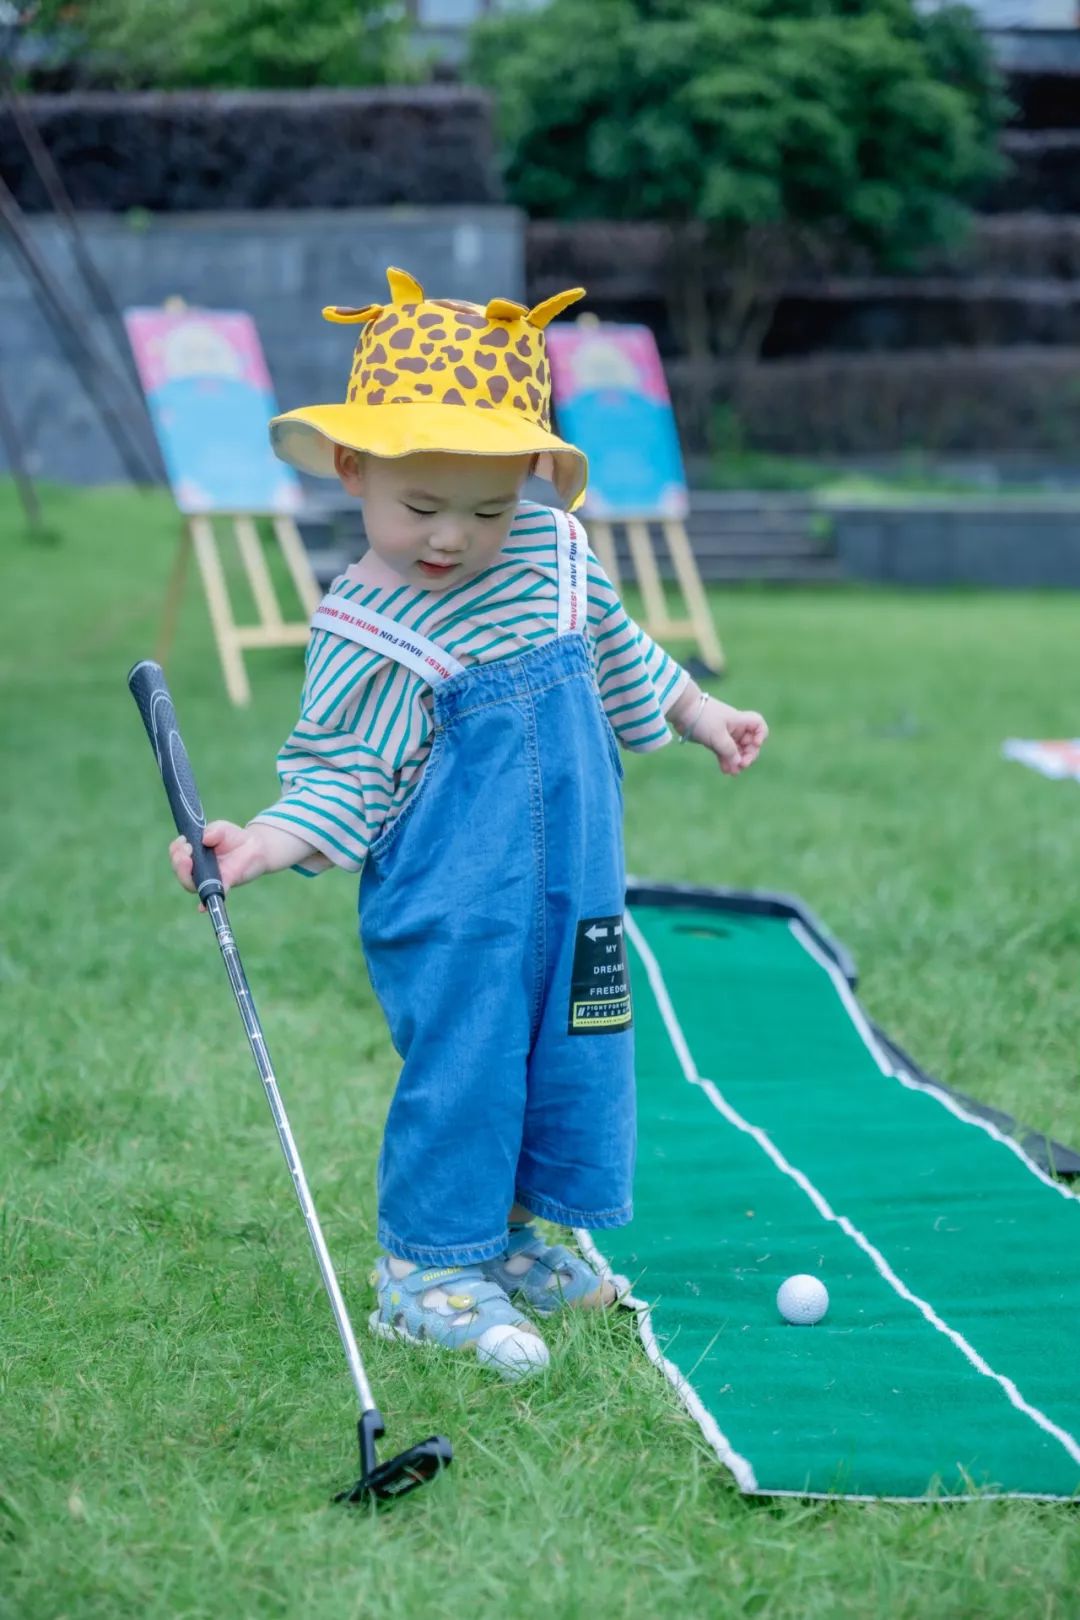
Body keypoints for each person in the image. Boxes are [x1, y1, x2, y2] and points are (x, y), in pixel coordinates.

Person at [169, 267, 768, 1380]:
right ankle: (427, 1265)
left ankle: (513, 1239)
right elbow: (343, 771)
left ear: (530, 483)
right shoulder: (367, 621)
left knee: (570, 1053)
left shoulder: (553, 557)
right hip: (455, 897)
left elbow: (619, 653)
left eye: (488, 509)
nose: (451, 538)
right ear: (355, 469)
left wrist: (699, 711)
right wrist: (261, 841)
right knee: (471, 1060)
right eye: (421, 508)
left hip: (575, 878)